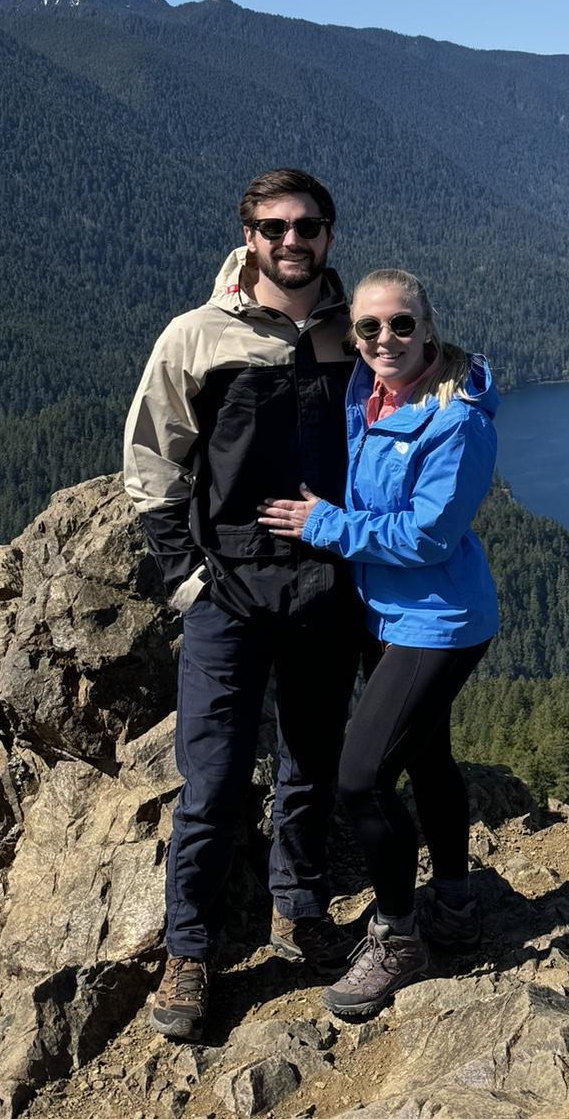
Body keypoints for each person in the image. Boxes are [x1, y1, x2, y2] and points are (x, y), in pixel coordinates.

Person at [123, 168, 364, 1041]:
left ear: (329, 234)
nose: (291, 241)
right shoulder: (198, 336)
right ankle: (189, 951)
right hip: (229, 591)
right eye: (274, 227)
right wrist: (188, 578)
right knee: (214, 780)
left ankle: (299, 912)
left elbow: (424, 400)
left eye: (307, 225)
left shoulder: (356, 331)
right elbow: (152, 460)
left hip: (325, 587)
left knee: (310, 765)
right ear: (249, 236)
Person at [258, 267, 499, 1020]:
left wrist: (324, 525)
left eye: (401, 324)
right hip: (384, 614)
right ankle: (453, 904)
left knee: (361, 779)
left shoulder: (456, 419)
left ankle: (398, 938)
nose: (384, 339)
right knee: (428, 758)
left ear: (429, 327)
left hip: (437, 620)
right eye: (368, 327)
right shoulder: (368, 390)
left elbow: (429, 535)